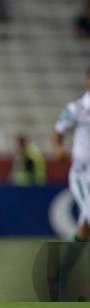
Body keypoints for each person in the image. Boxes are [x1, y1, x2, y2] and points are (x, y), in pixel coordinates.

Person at [53, 67, 90, 243]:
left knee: (84, 229)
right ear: (87, 80)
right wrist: (59, 149)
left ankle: (63, 268)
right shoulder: (77, 108)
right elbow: (58, 133)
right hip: (82, 176)